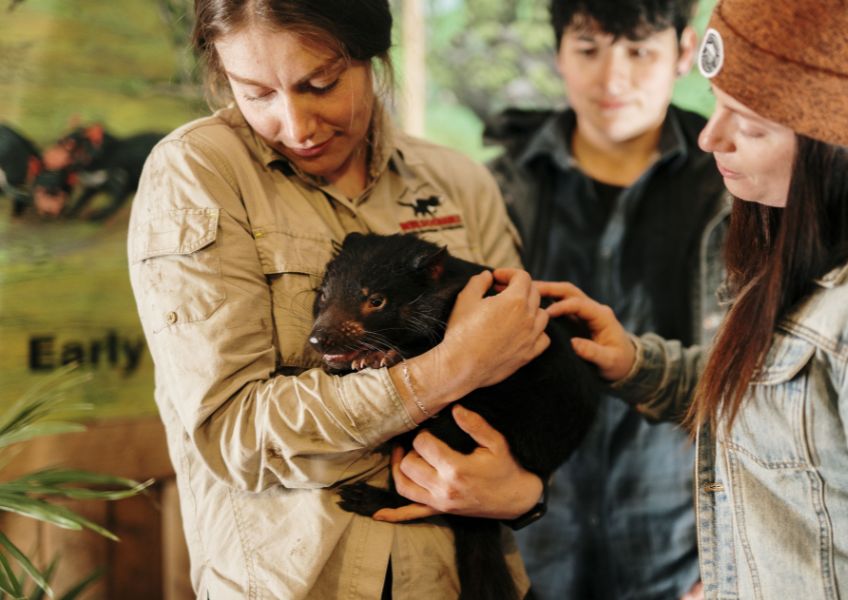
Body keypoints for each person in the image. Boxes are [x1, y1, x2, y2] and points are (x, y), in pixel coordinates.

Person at [531, 0, 848, 597]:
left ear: (841, 142)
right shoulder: (839, 207)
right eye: (717, 103)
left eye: (751, 125)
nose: (710, 137)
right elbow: (795, 397)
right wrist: (640, 365)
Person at [127, 1, 549, 598]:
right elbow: (231, 434)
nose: (297, 125)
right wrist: (447, 369)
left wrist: (525, 491)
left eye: (320, 84)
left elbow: (522, 376)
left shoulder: (458, 183)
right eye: (256, 94)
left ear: (374, 56)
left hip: (467, 578)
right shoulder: (198, 175)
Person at [481, 0, 726, 597]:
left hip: (684, 553)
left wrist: (730, 565)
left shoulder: (733, 186)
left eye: (640, 51)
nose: (612, 78)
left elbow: (757, 383)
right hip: (530, 541)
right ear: (560, 52)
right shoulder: (501, 188)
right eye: (588, 49)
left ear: (684, 53)